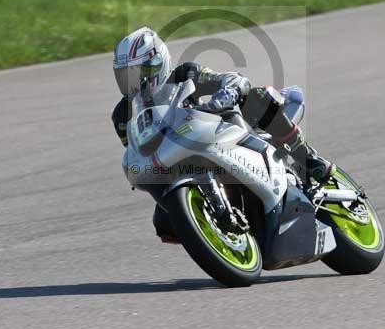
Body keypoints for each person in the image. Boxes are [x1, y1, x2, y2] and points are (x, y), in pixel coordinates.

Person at [111, 27, 334, 241]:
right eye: (124, 76)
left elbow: (232, 79)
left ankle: (308, 158)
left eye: (138, 73)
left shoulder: (185, 74)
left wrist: (226, 94)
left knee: (258, 96)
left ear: (158, 64)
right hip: (176, 161)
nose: (132, 82)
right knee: (164, 224)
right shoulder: (122, 115)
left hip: (218, 135)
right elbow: (137, 147)